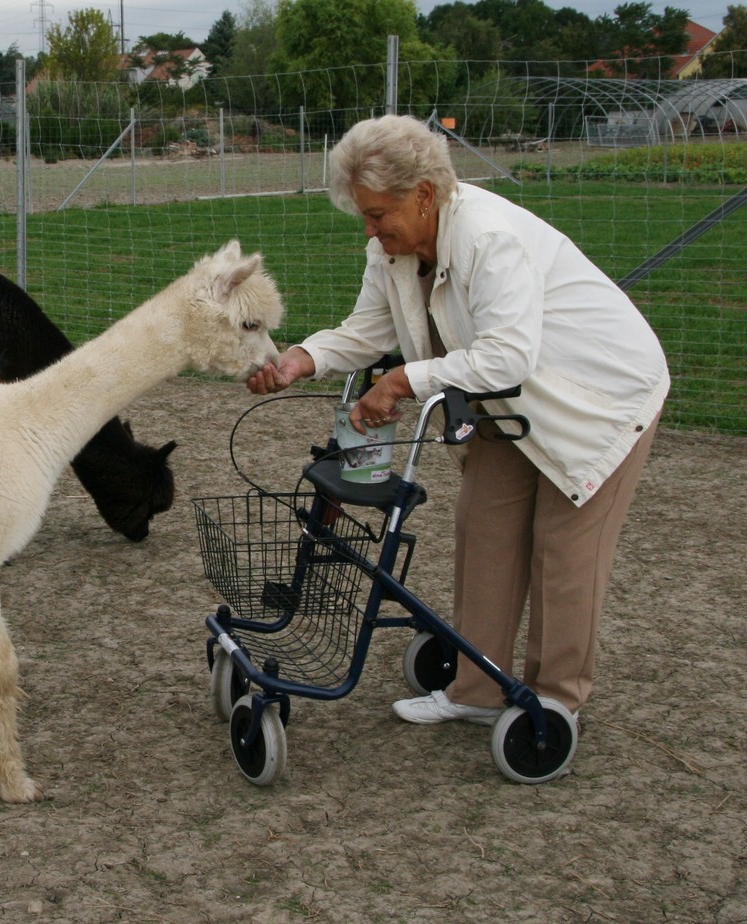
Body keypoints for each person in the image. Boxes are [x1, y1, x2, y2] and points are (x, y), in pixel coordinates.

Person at [247, 114, 669, 729]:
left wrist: (400, 381)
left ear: (423, 195)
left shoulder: (487, 237)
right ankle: (478, 690)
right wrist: (298, 360)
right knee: (485, 531)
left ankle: (552, 705)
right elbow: (369, 329)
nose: (369, 228)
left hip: (597, 400)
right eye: (363, 214)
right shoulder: (392, 250)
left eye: (377, 214)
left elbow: (508, 353)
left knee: (563, 549)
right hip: (506, 402)